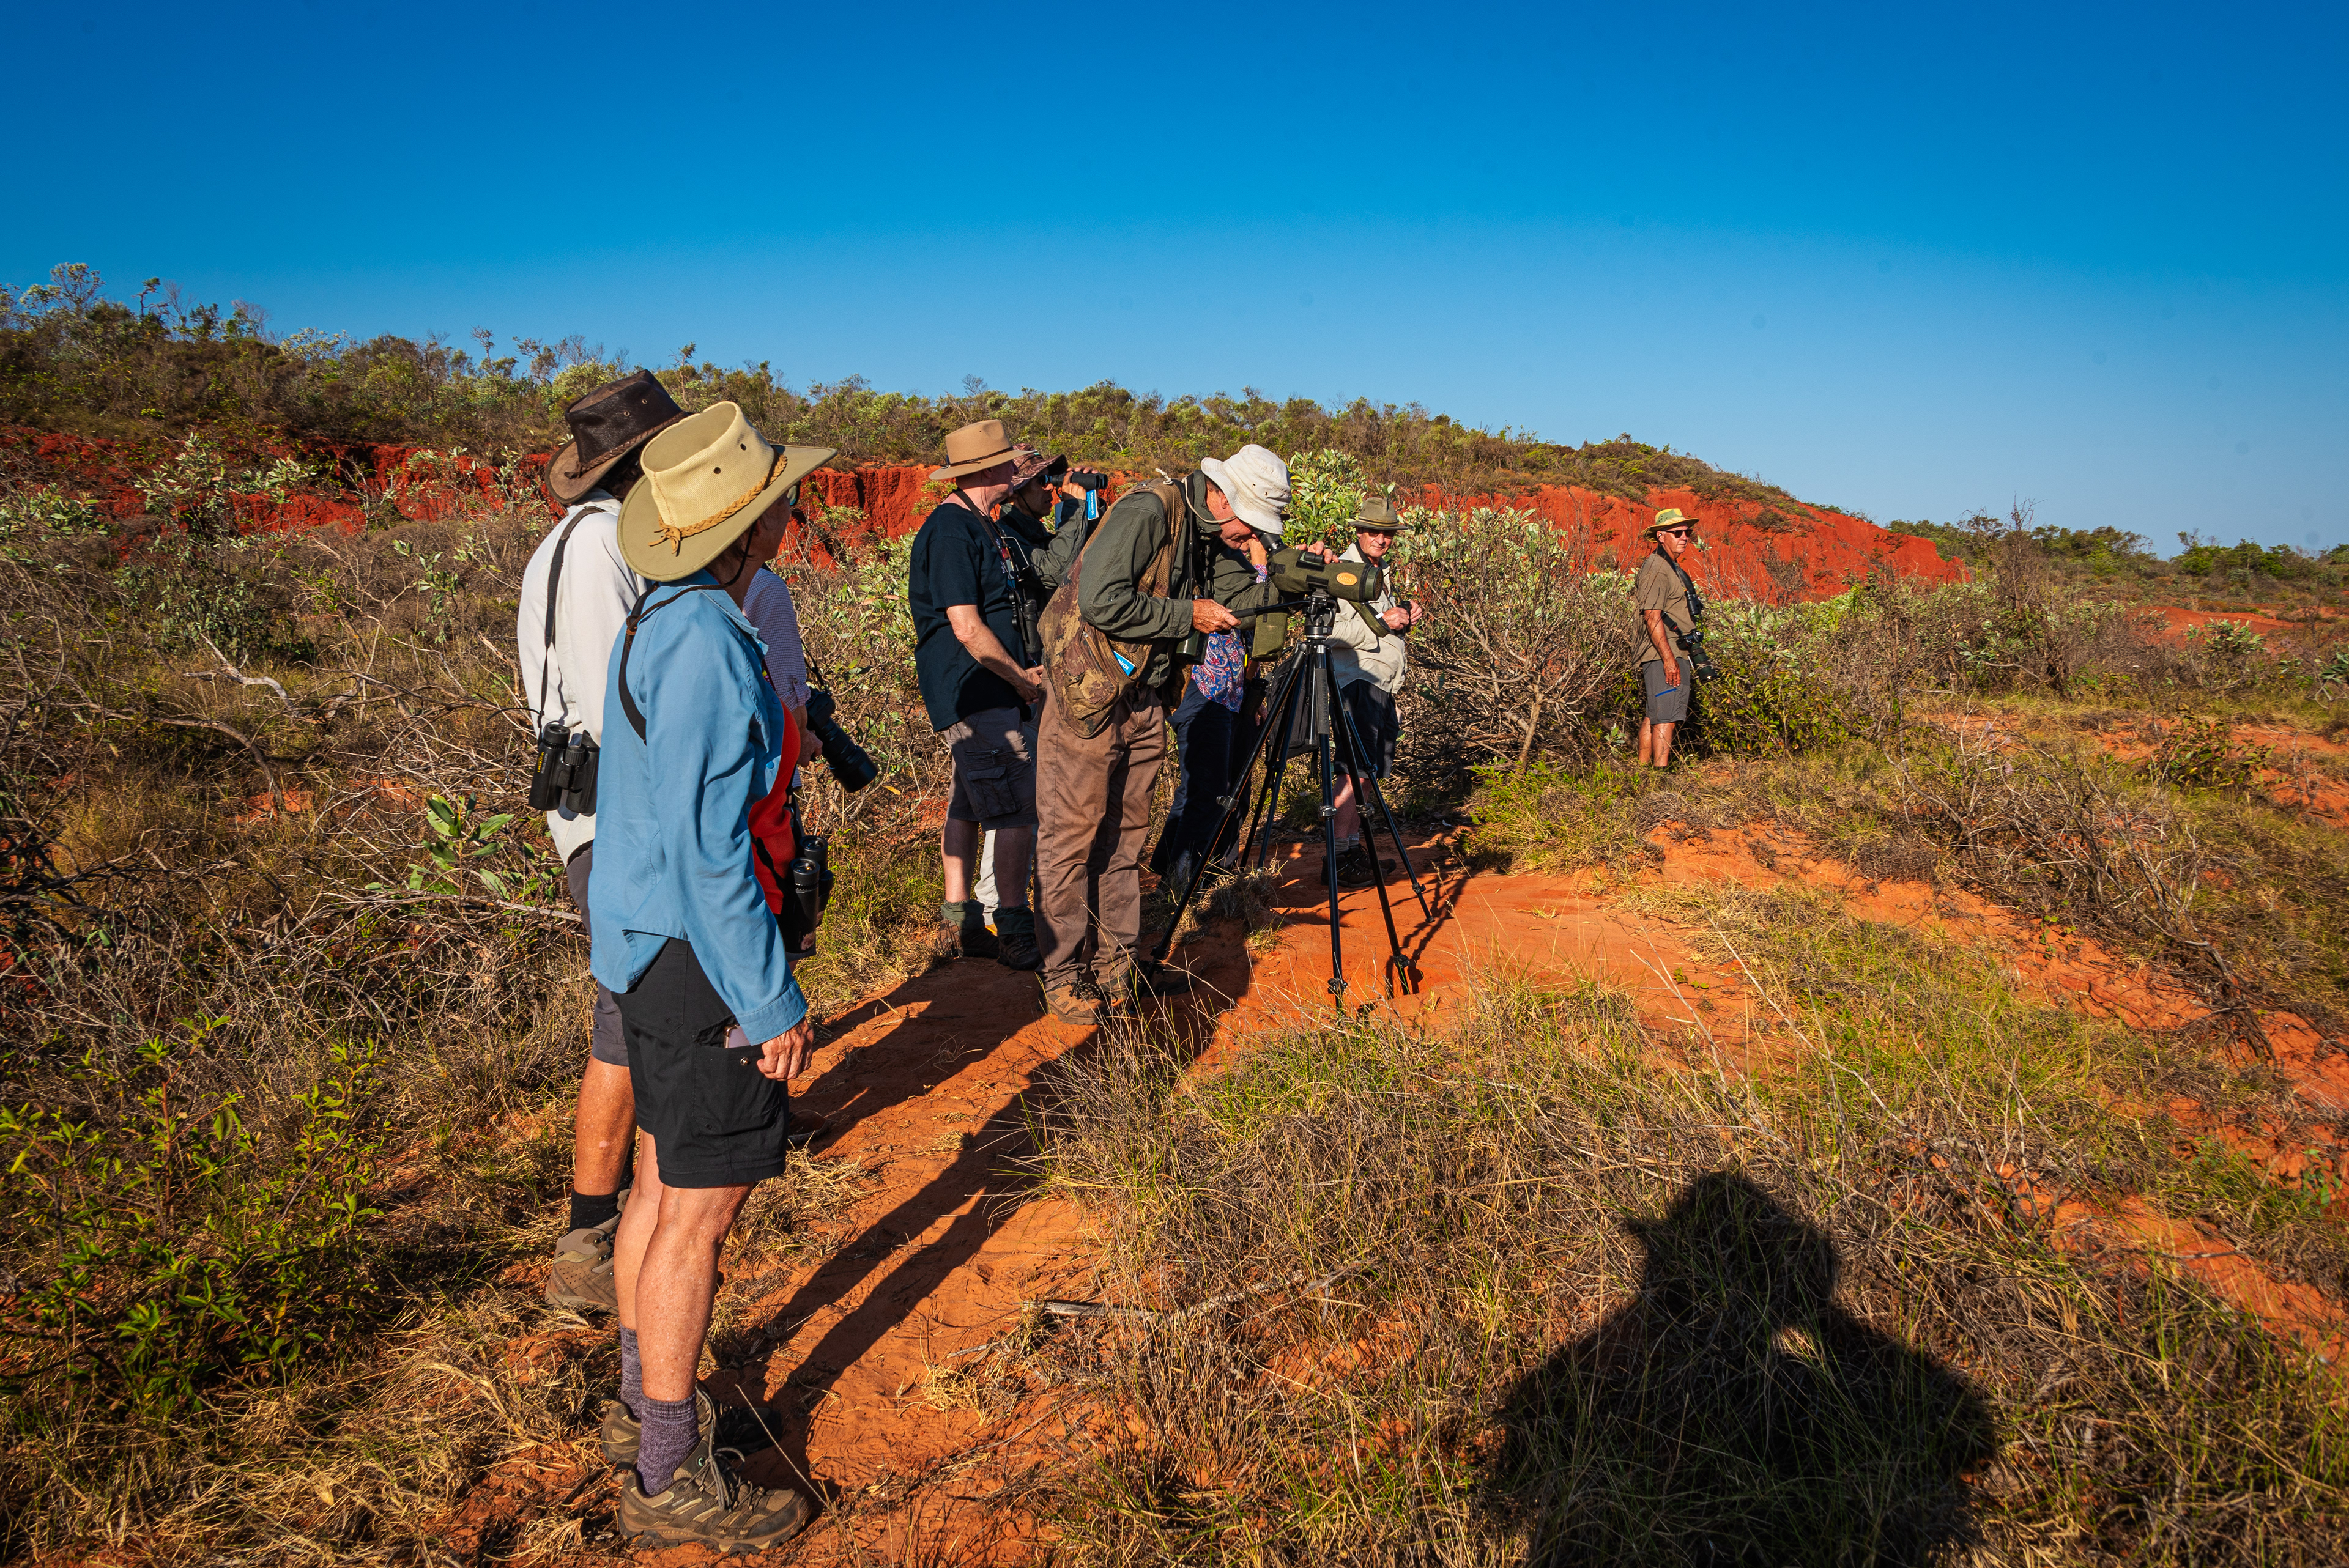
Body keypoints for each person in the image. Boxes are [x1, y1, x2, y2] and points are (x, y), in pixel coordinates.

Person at [590, 401, 833, 1550]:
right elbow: (710, 848)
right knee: (698, 1212)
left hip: (646, 950)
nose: (792, 506)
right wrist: (770, 998)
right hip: (700, 963)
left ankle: (649, 1412)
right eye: (778, 494)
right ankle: (668, 1477)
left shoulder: (663, 615)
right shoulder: (707, 641)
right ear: (750, 522)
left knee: (655, 1184)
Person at [517, 368, 685, 1316]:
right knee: (631, 1021)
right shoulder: (592, 549)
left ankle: (600, 1227)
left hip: (612, 816)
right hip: (614, 820)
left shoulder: (595, 539)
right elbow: (613, 702)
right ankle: (593, 1237)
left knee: (629, 1017)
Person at [1033, 443, 1298, 1024]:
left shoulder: (1208, 534)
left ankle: (1117, 971)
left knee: (1126, 843)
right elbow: (1103, 601)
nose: (1250, 536)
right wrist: (1189, 616)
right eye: (1250, 522)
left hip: (1144, 699)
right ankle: (1061, 978)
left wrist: (1297, 584)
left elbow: (1240, 600)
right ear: (1222, 497)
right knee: (1071, 841)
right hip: (1088, 697)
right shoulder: (1149, 512)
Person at [908, 420, 1045, 971]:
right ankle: (1013, 926)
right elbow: (965, 626)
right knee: (1017, 808)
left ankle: (963, 923)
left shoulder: (978, 524)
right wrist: (1019, 679)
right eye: (1010, 461)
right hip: (977, 693)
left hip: (986, 690)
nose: (1018, 469)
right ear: (986, 469)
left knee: (969, 802)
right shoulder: (950, 532)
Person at [1326, 495, 1425, 887]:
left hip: (1379, 683)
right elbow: (1327, 631)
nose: (1382, 539)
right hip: (1356, 681)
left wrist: (1403, 617)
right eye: (1375, 532)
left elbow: (1378, 624)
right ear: (1359, 531)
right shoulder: (1341, 571)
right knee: (1354, 769)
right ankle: (1336, 857)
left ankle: (1351, 851)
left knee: (1367, 770)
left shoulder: (1375, 571)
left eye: (1388, 533)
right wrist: (1384, 622)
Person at [1635, 508, 1702, 769]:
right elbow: (1651, 616)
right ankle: (1660, 777)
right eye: (1677, 533)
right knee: (1666, 717)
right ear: (1661, 536)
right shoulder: (1656, 568)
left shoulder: (1669, 566)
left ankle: (1641, 773)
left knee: (1656, 713)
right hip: (1664, 652)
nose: (1684, 537)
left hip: (1672, 650)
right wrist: (1669, 660)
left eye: (1688, 532)